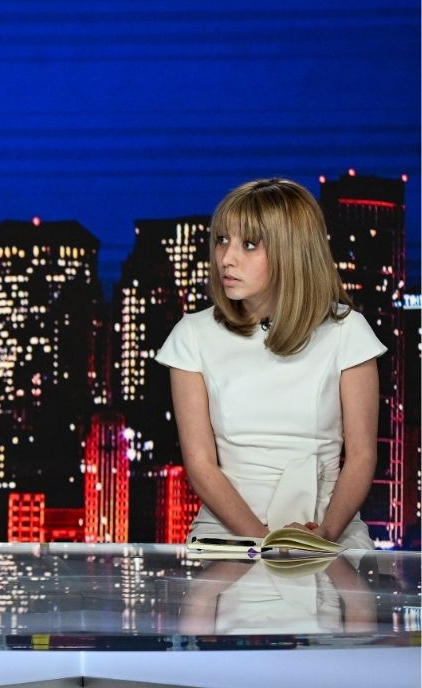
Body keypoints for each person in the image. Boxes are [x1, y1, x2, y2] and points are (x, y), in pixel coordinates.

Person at [156, 178, 383, 549]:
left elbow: (361, 455)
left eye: (248, 245)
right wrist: (264, 543)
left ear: (291, 251)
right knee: (203, 601)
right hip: (226, 533)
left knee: (354, 603)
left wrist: (322, 536)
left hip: (328, 527)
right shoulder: (192, 335)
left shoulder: (347, 331)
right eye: (221, 240)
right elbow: (200, 465)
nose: (227, 258)